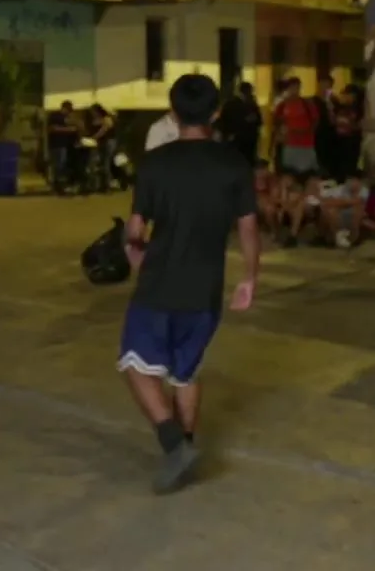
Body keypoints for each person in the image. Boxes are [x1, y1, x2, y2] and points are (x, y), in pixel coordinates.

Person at [119, 73, 260, 495]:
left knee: (135, 365)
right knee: (186, 371)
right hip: (206, 287)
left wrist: (134, 255)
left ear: (173, 112)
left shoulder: (154, 164)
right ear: (215, 113)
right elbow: (248, 228)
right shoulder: (233, 164)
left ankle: (174, 445)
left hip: (160, 283)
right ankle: (186, 446)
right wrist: (249, 277)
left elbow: (135, 231)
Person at [271, 78, 320, 175]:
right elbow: (276, 123)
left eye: (297, 88)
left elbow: (315, 121)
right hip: (290, 145)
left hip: (306, 145)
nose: (295, 90)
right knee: (290, 173)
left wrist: (306, 132)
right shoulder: (282, 105)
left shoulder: (307, 104)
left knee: (307, 173)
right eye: (292, 88)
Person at [320, 169, 368, 248]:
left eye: (353, 180)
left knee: (358, 209)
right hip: (340, 215)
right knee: (330, 210)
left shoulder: (364, 190)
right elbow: (326, 202)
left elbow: (357, 202)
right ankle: (338, 236)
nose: (351, 182)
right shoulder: (341, 189)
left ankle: (353, 238)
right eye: (349, 179)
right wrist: (345, 203)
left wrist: (342, 202)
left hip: (355, 216)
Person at [217, 82, 262, 165]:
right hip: (238, 139)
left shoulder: (251, 104)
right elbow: (226, 120)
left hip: (248, 139)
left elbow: (259, 121)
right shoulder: (232, 104)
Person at [46, 101, 80, 195]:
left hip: (64, 145)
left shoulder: (65, 117)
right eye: (68, 110)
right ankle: (57, 186)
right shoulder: (55, 116)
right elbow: (52, 128)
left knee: (61, 165)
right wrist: (69, 130)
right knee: (58, 165)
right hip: (57, 144)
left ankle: (59, 186)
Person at [87, 104, 118, 193]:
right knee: (100, 164)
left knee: (106, 163)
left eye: (93, 111)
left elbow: (104, 130)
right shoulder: (95, 120)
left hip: (108, 142)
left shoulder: (106, 119)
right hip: (100, 143)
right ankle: (101, 185)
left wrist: (94, 137)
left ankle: (107, 185)